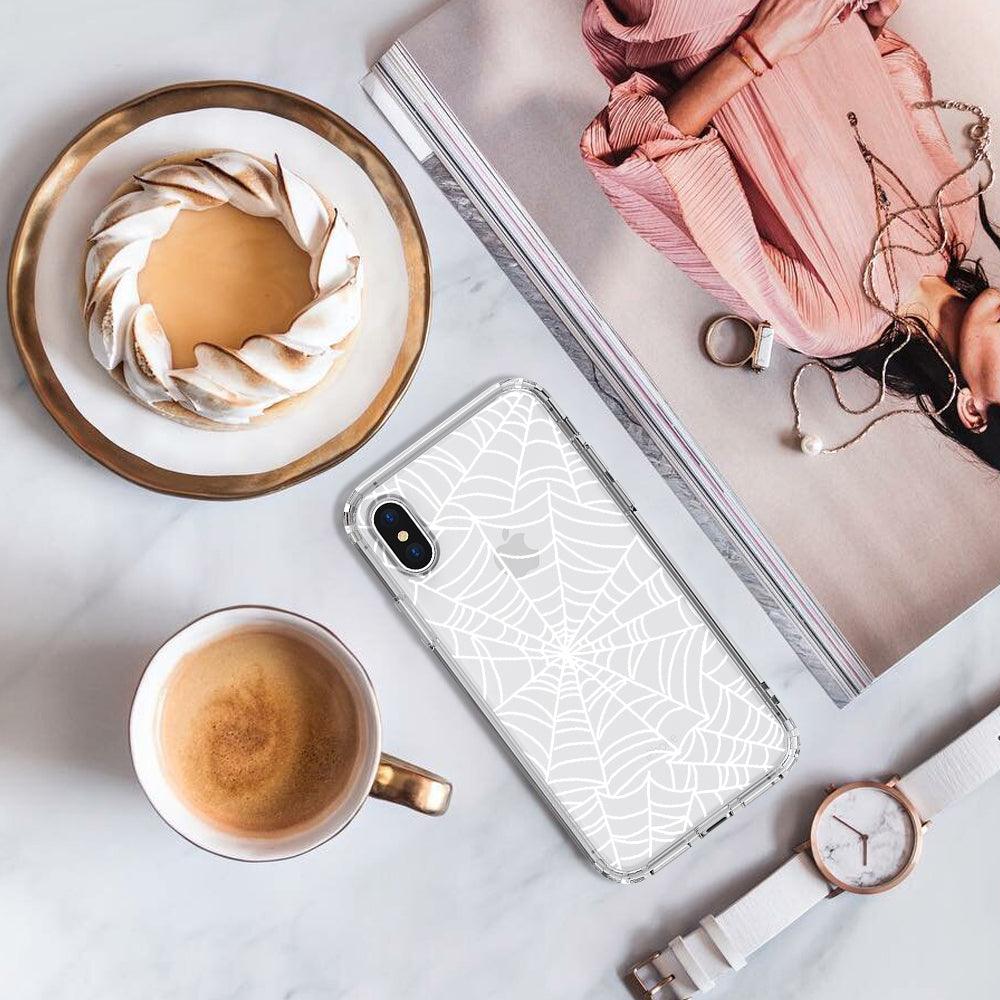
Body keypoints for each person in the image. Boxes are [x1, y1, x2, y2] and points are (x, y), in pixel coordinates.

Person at [581, 0, 1000, 465]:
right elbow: (881, 72)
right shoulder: (954, 214)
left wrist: (758, 48)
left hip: (699, 16)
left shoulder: (828, 320)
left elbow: (655, 159)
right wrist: (872, 24)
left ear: (974, 410)